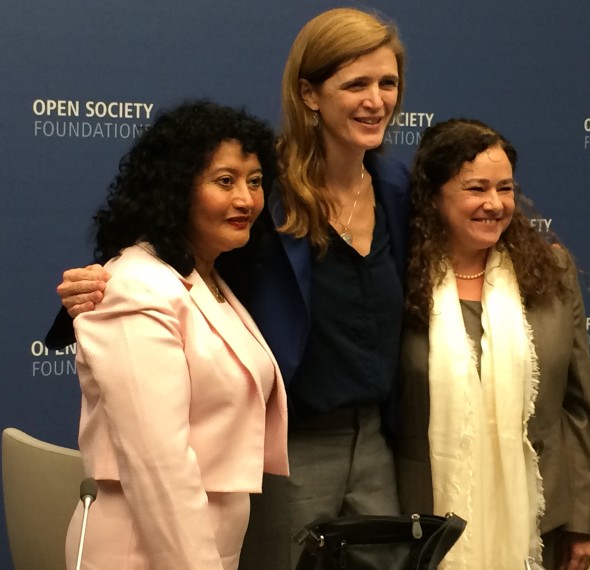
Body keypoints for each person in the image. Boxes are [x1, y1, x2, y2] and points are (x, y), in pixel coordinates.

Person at [47, 8, 410, 570]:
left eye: (388, 82)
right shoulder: (266, 184)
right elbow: (160, 253)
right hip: (289, 446)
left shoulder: (393, 185)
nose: (376, 99)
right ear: (310, 93)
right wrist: (85, 292)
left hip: (373, 438)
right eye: (356, 83)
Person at [63, 101, 288, 570]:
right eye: (225, 181)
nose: (246, 199)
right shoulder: (134, 286)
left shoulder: (209, 278)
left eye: (255, 180)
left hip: (202, 542)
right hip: (142, 548)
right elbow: (156, 467)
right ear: (175, 189)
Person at [395, 119, 590, 570]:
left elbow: (579, 406)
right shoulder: (398, 280)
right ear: (434, 197)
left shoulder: (553, 271)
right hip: (427, 523)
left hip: (540, 520)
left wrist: (585, 520)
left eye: (505, 188)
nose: (494, 204)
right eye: (476, 189)